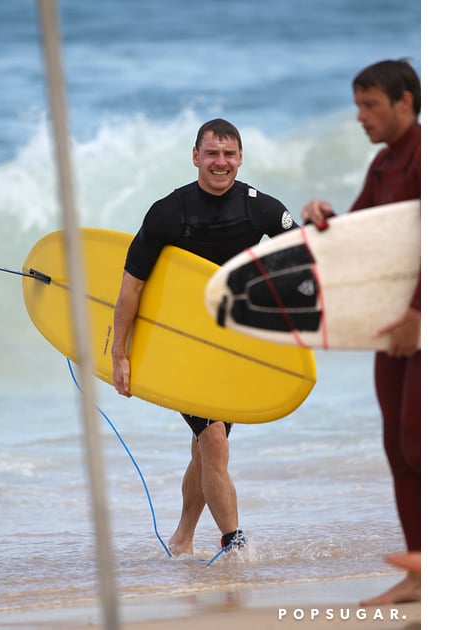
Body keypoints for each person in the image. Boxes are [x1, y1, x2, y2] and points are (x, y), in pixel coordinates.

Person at [112, 118, 298, 556]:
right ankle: (235, 543)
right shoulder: (169, 212)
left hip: (230, 348)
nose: (220, 162)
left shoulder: (261, 208)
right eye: (212, 153)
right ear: (195, 156)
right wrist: (119, 353)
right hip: (180, 347)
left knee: (205, 448)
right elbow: (130, 288)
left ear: (240, 158)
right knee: (213, 440)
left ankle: (181, 538)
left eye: (229, 154)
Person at [301, 58, 421, 604]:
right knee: (398, 447)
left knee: (422, 442)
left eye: (370, 104)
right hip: (391, 329)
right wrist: (323, 220)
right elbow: (360, 240)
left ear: (405, 102)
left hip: (423, 325)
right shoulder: (381, 167)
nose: (359, 116)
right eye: (357, 104)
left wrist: (422, 313)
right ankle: (421, 573)